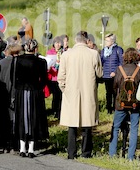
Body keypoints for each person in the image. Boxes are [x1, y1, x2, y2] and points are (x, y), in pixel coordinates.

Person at [58, 31, 103, 159]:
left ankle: (71, 152)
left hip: (71, 92)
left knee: (72, 124)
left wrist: (64, 90)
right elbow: (99, 73)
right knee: (87, 123)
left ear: (75, 40)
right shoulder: (93, 54)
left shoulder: (66, 55)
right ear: (87, 40)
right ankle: (86, 152)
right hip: (88, 91)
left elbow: (61, 77)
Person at [13, 39, 48, 158]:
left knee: (22, 117)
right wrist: (38, 88)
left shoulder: (17, 60)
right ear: (35, 48)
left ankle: (22, 147)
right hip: (35, 92)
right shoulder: (41, 62)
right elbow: (44, 79)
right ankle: (31, 148)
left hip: (21, 92)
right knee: (34, 118)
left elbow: (14, 79)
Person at [109, 48, 140, 160]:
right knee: (134, 128)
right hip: (135, 104)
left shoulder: (119, 69)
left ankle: (112, 154)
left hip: (121, 103)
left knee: (115, 127)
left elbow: (115, 87)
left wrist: (118, 97)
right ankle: (130, 156)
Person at [0, 42, 22, 152]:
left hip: (1, 94)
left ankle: (3, 142)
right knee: (13, 119)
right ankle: (13, 143)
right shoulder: (18, 63)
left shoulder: (1, 62)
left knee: (3, 119)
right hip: (14, 95)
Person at [100, 33, 123, 114]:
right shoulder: (103, 51)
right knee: (108, 92)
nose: (106, 42)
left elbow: (121, 63)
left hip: (115, 76)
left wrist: (116, 72)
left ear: (112, 41)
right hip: (106, 75)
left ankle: (115, 108)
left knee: (115, 92)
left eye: (107, 40)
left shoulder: (118, 50)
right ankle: (109, 108)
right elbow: (101, 62)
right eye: (105, 40)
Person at [45, 36, 63, 119]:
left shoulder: (62, 52)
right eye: (56, 43)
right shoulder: (50, 52)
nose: (58, 45)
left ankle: (59, 111)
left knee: (59, 95)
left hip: (60, 77)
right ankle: (53, 110)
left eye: (59, 43)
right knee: (54, 95)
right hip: (52, 77)